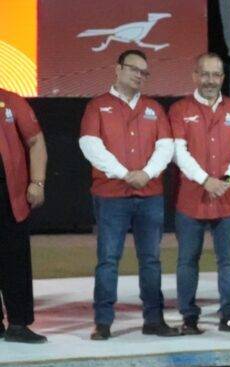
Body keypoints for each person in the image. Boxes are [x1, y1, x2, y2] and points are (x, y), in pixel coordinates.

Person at [79, 49, 178, 340]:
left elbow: (166, 146)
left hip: (150, 194)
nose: (138, 75)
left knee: (151, 259)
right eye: (134, 69)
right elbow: (90, 146)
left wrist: (145, 174)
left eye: (143, 72)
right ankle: (103, 322)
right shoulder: (98, 106)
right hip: (111, 195)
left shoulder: (154, 108)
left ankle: (154, 319)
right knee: (108, 259)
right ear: (118, 69)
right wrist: (125, 174)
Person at [170, 52, 230, 335]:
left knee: (229, 260)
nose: (210, 80)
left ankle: (229, 314)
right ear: (195, 76)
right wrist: (206, 180)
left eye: (215, 74)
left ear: (222, 78)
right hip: (191, 199)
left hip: (227, 198)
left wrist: (227, 180)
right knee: (187, 260)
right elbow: (178, 151)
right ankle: (189, 318)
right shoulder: (180, 109)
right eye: (204, 74)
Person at [0, 87, 47, 343]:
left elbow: (36, 141)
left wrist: (37, 182)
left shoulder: (11, 101)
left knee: (14, 259)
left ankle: (18, 324)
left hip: (9, 195)